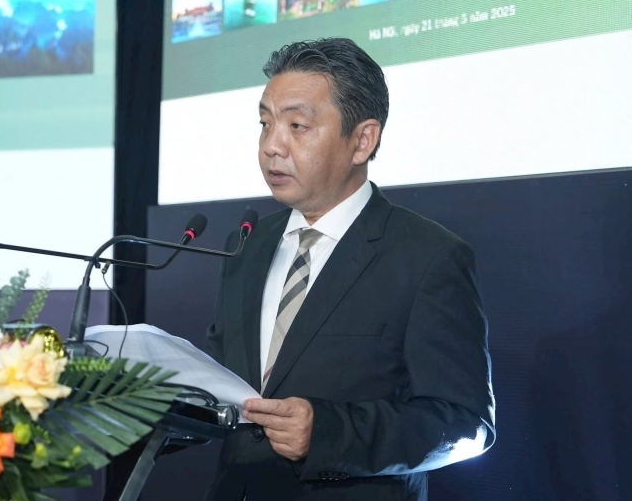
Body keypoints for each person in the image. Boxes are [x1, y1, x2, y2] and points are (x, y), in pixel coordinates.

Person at [205, 38, 495, 500]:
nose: (271, 146)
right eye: (265, 123)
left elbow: (466, 424)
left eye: (297, 126)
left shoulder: (428, 257)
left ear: (362, 140)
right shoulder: (248, 243)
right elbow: (222, 384)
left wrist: (327, 433)